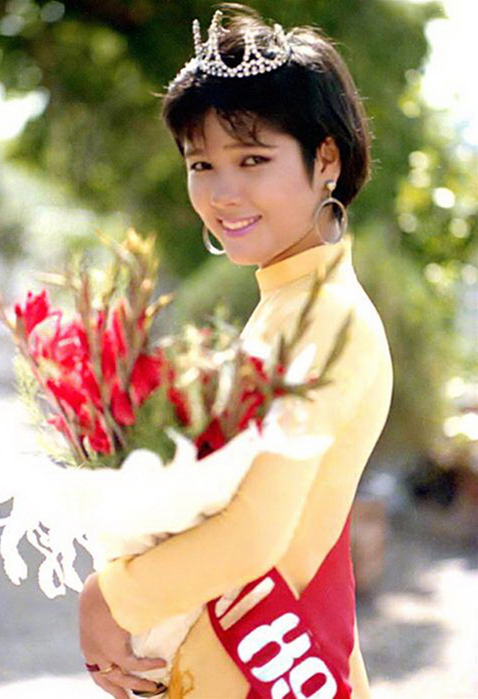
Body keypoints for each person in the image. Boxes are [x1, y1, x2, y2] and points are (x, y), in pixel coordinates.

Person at [79, 5, 393, 698]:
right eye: (202, 164)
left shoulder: (326, 318)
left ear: (326, 160)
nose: (223, 193)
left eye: (253, 159)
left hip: (270, 672)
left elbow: (253, 534)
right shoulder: (286, 305)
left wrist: (109, 598)